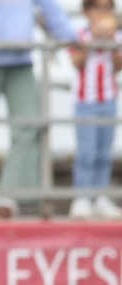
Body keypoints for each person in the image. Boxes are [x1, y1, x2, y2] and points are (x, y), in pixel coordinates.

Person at [0, 0, 77, 218]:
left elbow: (50, 7)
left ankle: (9, 197)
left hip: (20, 60)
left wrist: (73, 37)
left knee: (28, 125)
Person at [69, 0, 120, 217]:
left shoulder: (116, 36)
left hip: (108, 99)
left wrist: (111, 43)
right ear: (87, 12)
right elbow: (76, 62)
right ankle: (82, 197)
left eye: (107, 9)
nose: (103, 13)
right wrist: (91, 43)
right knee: (86, 152)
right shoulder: (79, 35)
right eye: (98, 8)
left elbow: (118, 66)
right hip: (86, 101)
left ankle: (100, 196)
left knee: (103, 151)